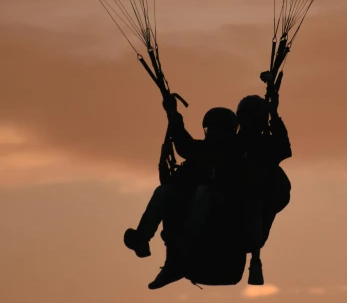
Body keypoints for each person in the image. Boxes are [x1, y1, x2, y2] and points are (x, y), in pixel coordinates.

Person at [124, 96, 246, 290]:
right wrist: (172, 114)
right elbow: (182, 142)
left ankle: (184, 240)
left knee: (204, 192)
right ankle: (142, 238)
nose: (212, 134)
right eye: (210, 129)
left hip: (222, 210)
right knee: (163, 192)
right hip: (195, 206)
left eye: (217, 129)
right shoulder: (200, 150)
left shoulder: (238, 154)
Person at [235, 92, 292, 285]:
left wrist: (274, 115)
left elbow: (284, 147)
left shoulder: (265, 146)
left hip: (255, 215)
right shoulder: (232, 144)